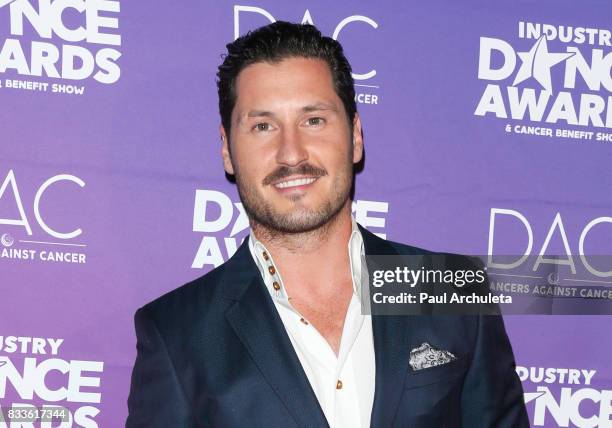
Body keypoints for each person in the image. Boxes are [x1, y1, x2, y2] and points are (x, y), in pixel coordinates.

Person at [126, 21, 529, 427]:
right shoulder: (176, 332)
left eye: (313, 120)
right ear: (227, 151)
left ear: (355, 137)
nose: (290, 153)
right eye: (263, 126)